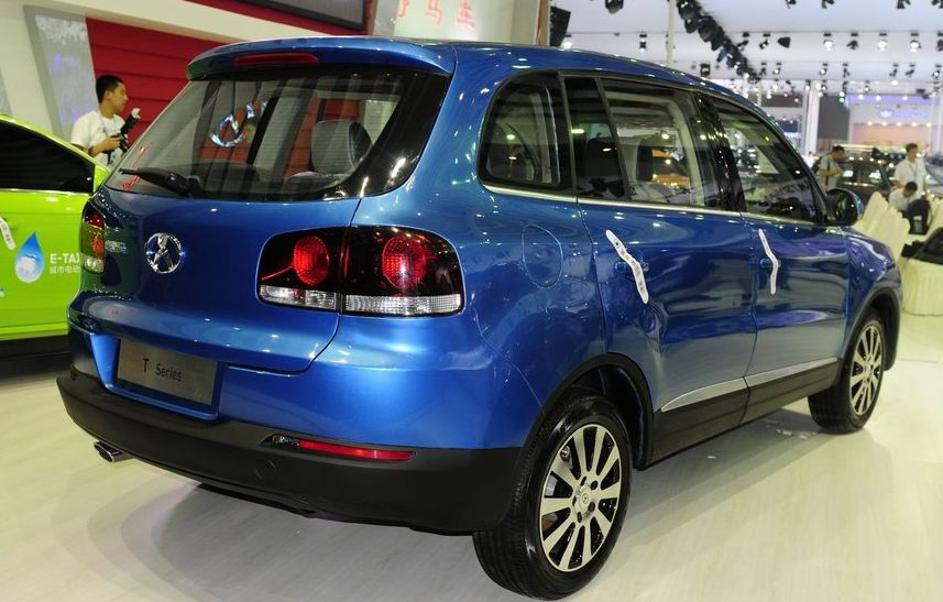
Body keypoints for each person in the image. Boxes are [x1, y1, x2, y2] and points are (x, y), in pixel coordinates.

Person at [70, 74, 128, 169]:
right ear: (108, 94)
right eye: (122, 93)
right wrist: (100, 147)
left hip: (116, 177)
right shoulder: (85, 122)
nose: (126, 98)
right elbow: (73, 158)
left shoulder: (120, 122)